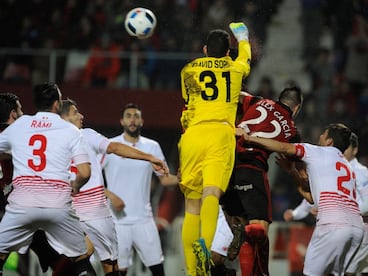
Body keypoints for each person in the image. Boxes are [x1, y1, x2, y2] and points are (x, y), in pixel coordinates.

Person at [59, 99, 169, 275]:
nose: (81, 115)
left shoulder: (52, 140)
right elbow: (112, 150)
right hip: (97, 212)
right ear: (64, 118)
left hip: (72, 210)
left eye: (136, 116)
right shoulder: (86, 135)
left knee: (84, 257)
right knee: (105, 262)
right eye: (75, 112)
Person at [239, 123, 364, 275]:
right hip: (356, 228)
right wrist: (292, 172)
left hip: (333, 225)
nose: (319, 137)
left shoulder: (317, 152)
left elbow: (284, 148)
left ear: (329, 142)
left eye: (323, 134)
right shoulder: (347, 166)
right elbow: (311, 197)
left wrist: (250, 138)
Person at [178, 22, 251, 276]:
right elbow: (246, 59)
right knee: (212, 194)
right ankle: (205, 251)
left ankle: (191, 271)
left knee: (191, 205)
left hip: (193, 135)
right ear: (228, 52)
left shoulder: (188, 70)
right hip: (221, 133)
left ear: (205, 49)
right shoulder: (235, 68)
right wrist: (243, 37)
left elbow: (189, 104)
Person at [0, 82, 95, 276]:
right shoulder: (70, 130)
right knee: (81, 257)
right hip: (57, 204)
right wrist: (75, 185)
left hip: (21, 205)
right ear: (57, 103)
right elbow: (85, 172)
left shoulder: (20, 126)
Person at [218, 86, 303, 276]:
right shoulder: (292, 131)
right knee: (259, 230)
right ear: (296, 108)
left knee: (241, 220)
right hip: (251, 168)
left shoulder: (258, 100)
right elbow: (294, 156)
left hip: (227, 166)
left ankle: (237, 227)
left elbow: (236, 95)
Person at [283, 132, 368, 275]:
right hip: (346, 226)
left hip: (350, 226)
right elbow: (315, 197)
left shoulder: (359, 171)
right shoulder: (334, 165)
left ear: (355, 150)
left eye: (346, 149)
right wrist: (296, 213)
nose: (342, 152)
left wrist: (341, 209)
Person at [101, 103, 179, 276]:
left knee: (158, 269)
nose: (133, 120)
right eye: (128, 116)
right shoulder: (110, 145)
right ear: (122, 121)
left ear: (142, 121)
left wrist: (183, 179)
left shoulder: (152, 147)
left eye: (136, 116)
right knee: (120, 271)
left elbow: (165, 180)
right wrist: (110, 195)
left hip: (144, 219)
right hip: (117, 221)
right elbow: (91, 178)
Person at [0, 92, 23, 219]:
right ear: (13, 113)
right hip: (11, 201)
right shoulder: (17, 136)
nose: (22, 113)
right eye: (20, 109)